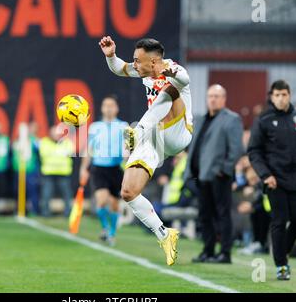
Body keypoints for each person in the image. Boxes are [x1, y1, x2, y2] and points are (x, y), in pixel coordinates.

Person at [100, 36, 193, 265]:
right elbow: (119, 69)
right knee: (128, 192)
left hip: (178, 133)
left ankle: (137, 132)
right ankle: (164, 234)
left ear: (154, 62)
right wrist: (111, 55)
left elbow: (184, 77)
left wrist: (168, 71)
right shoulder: (143, 69)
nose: (134, 64)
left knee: (170, 90)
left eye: (138, 61)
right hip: (154, 136)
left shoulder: (172, 68)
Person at [248, 80, 296, 280]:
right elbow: (254, 152)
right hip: (274, 180)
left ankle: (282, 252)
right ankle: (281, 265)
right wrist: (265, 175)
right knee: (279, 220)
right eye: (277, 95)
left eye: (284, 95)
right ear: (271, 96)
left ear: (289, 95)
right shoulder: (263, 119)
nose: (281, 99)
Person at [183, 84, 244, 264]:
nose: (213, 99)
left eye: (217, 96)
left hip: (219, 176)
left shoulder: (231, 119)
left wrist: (224, 170)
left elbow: (236, 149)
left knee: (222, 214)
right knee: (205, 215)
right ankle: (208, 250)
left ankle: (225, 253)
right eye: (210, 96)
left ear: (224, 99)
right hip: (201, 176)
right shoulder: (201, 119)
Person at [80, 95, 128, 246]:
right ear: (102, 108)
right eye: (105, 105)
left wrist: (127, 155)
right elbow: (89, 149)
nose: (108, 108)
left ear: (116, 108)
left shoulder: (124, 126)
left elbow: (128, 146)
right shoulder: (95, 127)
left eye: (111, 105)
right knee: (101, 201)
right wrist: (83, 168)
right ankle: (105, 227)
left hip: (116, 168)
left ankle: (112, 232)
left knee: (114, 204)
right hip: (99, 168)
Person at [39, 125, 74, 217]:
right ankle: (45, 212)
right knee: (46, 194)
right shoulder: (44, 142)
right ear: (50, 134)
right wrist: (59, 153)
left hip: (63, 173)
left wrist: (54, 153)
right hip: (49, 172)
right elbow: (44, 154)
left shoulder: (67, 142)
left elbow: (69, 152)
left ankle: (68, 212)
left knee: (66, 194)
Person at [12, 122, 41, 216]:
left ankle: (34, 210)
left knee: (32, 192)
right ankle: (19, 209)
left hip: (30, 170)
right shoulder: (17, 141)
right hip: (19, 170)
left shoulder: (34, 141)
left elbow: (39, 150)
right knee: (18, 192)